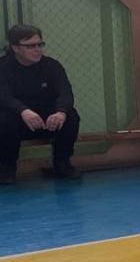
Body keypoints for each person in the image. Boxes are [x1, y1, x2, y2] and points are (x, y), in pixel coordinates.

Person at [0, 24, 81, 184]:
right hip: (18, 120)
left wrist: (61, 112)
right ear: (15, 48)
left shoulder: (52, 66)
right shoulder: (3, 67)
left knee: (71, 116)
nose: (37, 49)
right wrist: (23, 111)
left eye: (40, 44)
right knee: (4, 119)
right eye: (30, 46)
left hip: (47, 120)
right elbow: (4, 97)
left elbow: (65, 92)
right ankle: (7, 168)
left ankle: (62, 164)